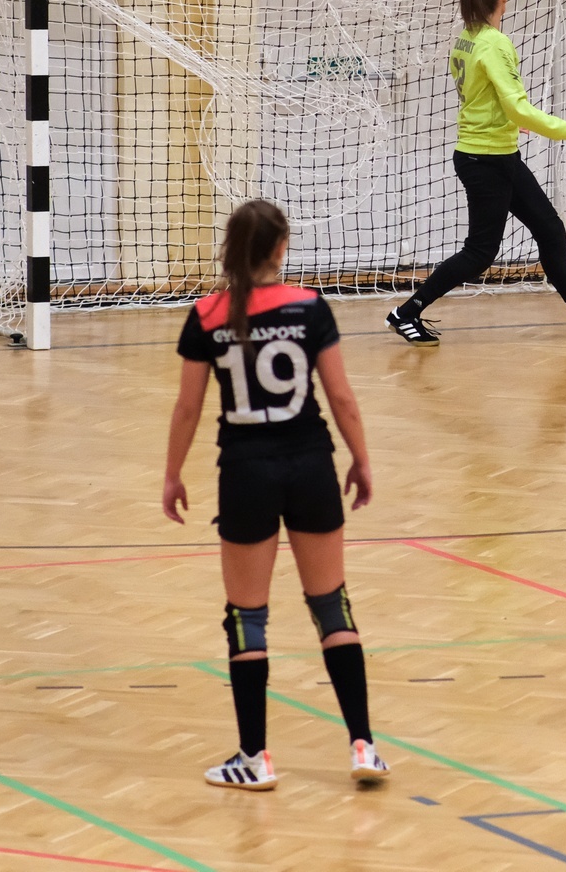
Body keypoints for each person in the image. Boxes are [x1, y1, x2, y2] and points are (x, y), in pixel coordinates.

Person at [163, 198, 390, 790]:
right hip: (311, 466)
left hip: (246, 474)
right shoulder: (310, 307)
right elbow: (342, 399)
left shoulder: (206, 314)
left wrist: (172, 474)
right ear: (281, 249)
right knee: (331, 606)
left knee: (247, 617)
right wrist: (362, 459)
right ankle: (363, 747)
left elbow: (187, 407)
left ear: (231, 249)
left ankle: (255, 758)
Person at [385, 0, 566, 344]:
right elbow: (516, 106)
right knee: (480, 253)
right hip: (486, 161)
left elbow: (485, 98)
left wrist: (509, 122)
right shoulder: (494, 43)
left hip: (496, 154)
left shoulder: (466, 39)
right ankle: (406, 312)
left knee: (549, 229)